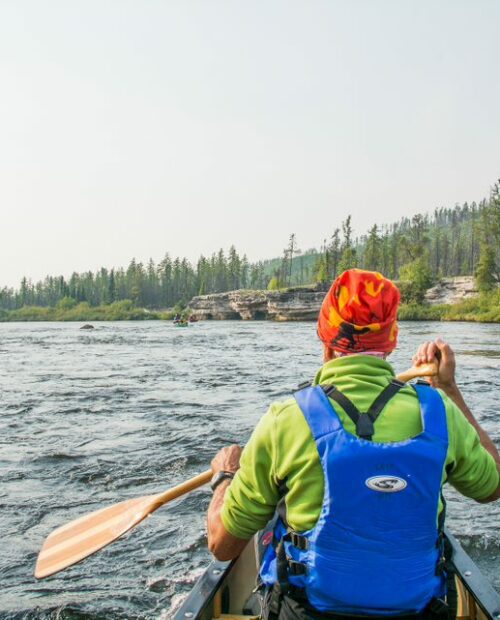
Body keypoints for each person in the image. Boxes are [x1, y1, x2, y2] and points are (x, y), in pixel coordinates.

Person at [207, 269, 499, 620]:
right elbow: (493, 487)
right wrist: (449, 390)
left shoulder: (285, 419)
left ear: (326, 342)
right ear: (391, 341)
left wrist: (224, 477)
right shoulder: (440, 412)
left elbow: (222, 546)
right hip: (420, 611)